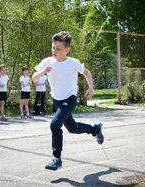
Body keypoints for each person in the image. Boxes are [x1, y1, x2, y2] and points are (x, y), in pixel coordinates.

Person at [32, 31, 104, 170]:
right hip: (57, 101)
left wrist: (91, 88)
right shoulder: (48, 62)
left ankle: (56, 158)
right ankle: (95, 130)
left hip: (70, 99)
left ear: (67, 50)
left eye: (58, 49)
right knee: (72, 128)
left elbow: (87, 73)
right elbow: (34, 78)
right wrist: (43, 71)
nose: (54, 51)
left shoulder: (73, 63)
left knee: (54, 124)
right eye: (53, 47)